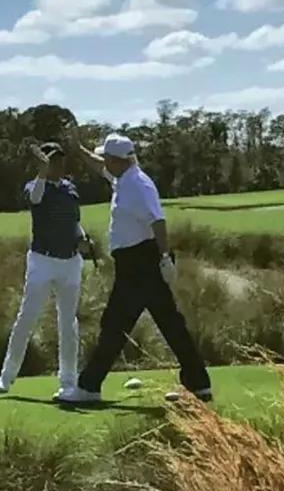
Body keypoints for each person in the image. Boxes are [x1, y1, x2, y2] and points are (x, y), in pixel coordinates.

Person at [55, 133, 212, 404]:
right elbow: (98, 166)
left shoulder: (137, 185)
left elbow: (158, 221)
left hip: (141, 263)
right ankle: (198, 385)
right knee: (168, 323)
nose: (103, 161)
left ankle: (89, 386)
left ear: (117, 160)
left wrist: (164, 257)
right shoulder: (123, 178)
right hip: (138, 262)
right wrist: (79, 150)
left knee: (115, 325)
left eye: (107, 157)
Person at [0, 142, 86, 400]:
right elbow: (35, 197)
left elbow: (74, 221)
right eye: (53, 161)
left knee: (68, 323)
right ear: (43, 162)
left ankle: (69, 381)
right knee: (28, 317)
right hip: (42, 261)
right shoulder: (34, 186)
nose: (59, 165)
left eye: (60, 161)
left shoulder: (70, 188)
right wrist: (43, 171)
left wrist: (83, 237)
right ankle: (7, 374)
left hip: (70, 262)